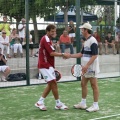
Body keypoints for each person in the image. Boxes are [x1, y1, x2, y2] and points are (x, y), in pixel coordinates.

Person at [65, 23, 100, 112]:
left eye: (82, 29)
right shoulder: (86, 41)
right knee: (83, 84)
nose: (81, 31)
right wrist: (70, 55)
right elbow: (81, 54)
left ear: (86, 30)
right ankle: (83, 103)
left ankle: (95, 105)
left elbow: (95, 55)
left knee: (94, 85)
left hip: (91, 67)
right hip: (85, 67)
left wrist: (87, 66)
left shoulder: (93, 41)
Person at [35, 24, 68, 111]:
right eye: (52, 31)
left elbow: (50, 53)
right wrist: (63, 54)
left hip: (48, 65)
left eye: (55, 31)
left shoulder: (48, 39)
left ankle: (40, 102)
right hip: (44, 65)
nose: (54, 33)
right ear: (48, 32)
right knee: (53, 83)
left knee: (51, 84)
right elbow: (51, 53)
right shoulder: (45, 39)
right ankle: (58, 104)